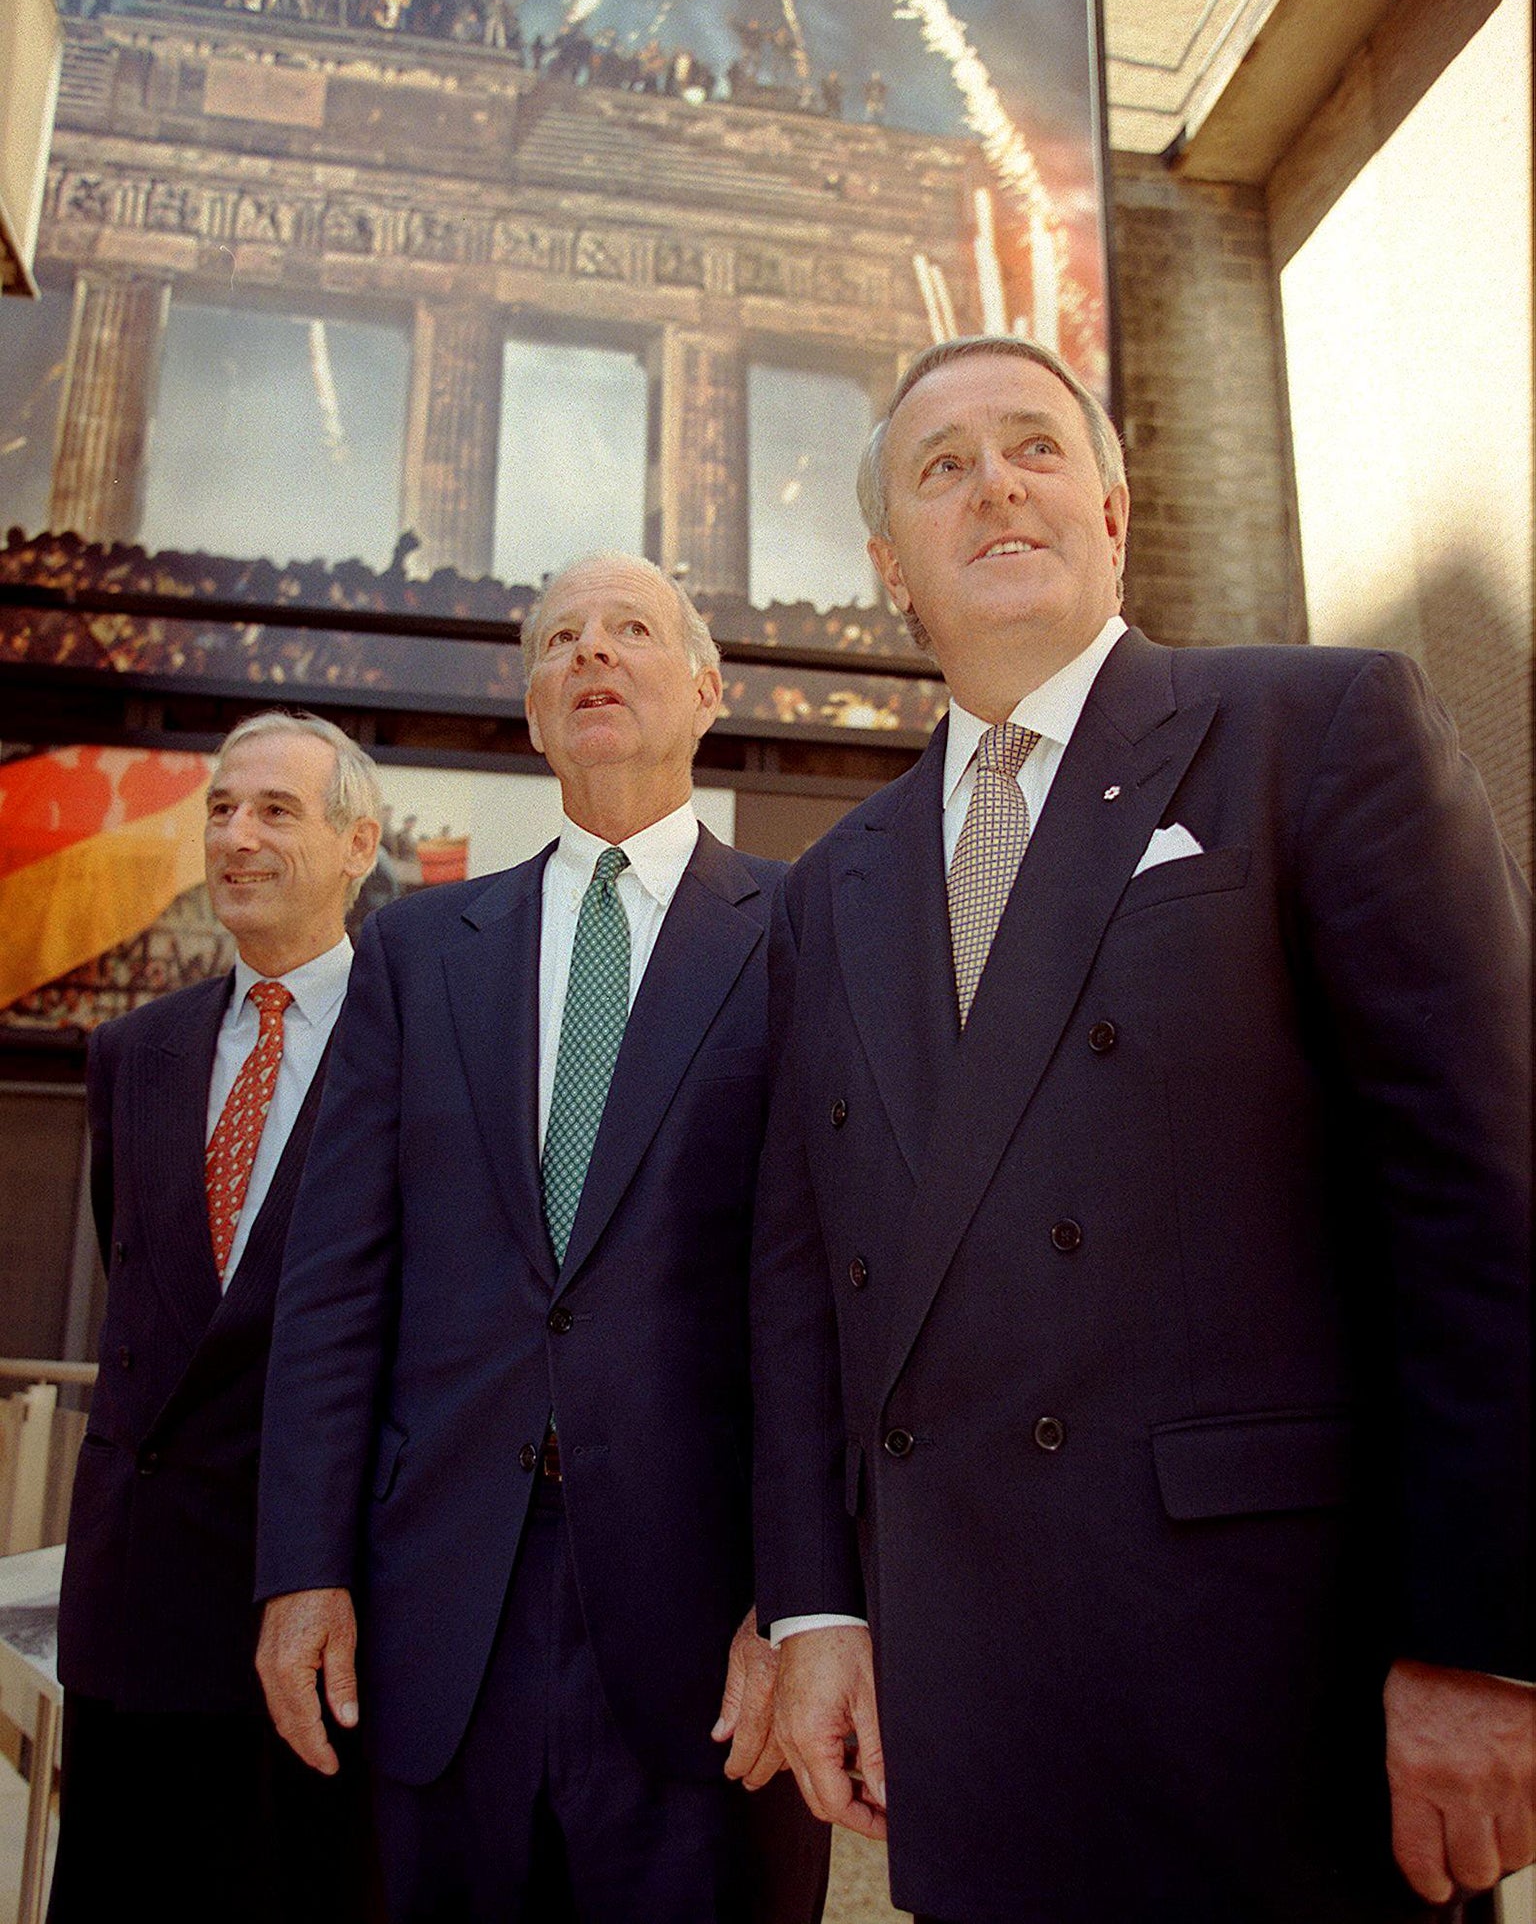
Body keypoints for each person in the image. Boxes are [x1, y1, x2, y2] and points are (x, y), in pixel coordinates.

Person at [750, 334, 1533, 1924]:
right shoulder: (835, 879)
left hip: (1271, 1696)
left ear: (1113, 508)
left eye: (1033, 446)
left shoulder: (1321, 728)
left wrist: (1483, 1644)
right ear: (893, 565)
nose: (997, 486)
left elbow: (1483, 1201)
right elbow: (799, 1274)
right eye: (943, 466)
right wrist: (815, 1610)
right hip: (975, 1722)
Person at [254, 554, 830, 1923]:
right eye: (559, 637)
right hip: (442, 1611)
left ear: (705, 688)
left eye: (630, 629)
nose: (590, 654)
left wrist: (808, 1604)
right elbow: (337, 1285)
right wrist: (301, 1568)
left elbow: (833, 1300)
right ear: (530, 712)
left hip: (710, 1636)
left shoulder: (809, 931)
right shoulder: (416, 950)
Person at [50, 711, 384, 1924]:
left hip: (324, 1620)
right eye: (222, 809)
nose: (237, 836)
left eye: (276, 810)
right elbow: (154, 1291)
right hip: (136, 1616)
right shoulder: (130, 1050)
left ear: (361, 841)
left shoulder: (422, 1047)